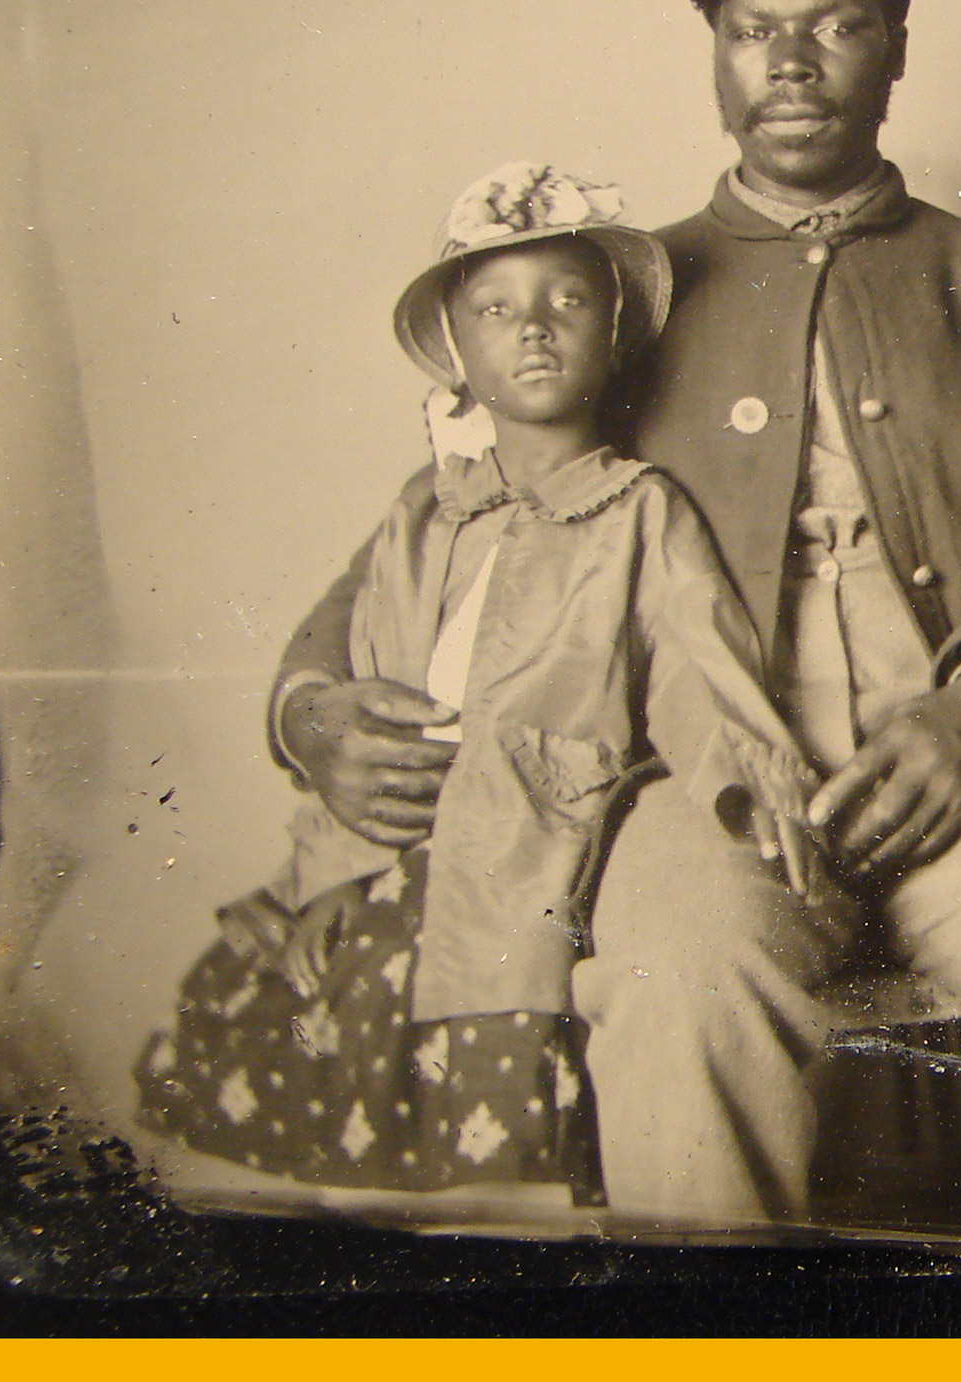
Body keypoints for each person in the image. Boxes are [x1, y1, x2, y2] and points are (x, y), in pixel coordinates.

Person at [267, 0, 961, 1247]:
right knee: (674, 963)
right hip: (696, 780)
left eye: (838, 25)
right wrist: (314, 708)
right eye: (755, 30)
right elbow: (458, 515)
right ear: (715, 51)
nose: (793, 63)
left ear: (898, 47)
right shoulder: (623, 292)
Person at [137, 165, 829, 1196]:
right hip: (398, 859)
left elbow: (696, 666)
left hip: (528, 860)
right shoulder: (427, 510)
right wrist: (326, 871)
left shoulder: (640, 510)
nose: (536, 329)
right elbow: (368, 688)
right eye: (498, 311)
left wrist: (748, 782)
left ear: (618, 331)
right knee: (343, 1122)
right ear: (459, 355)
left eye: (568, 301)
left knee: (503, 1170)